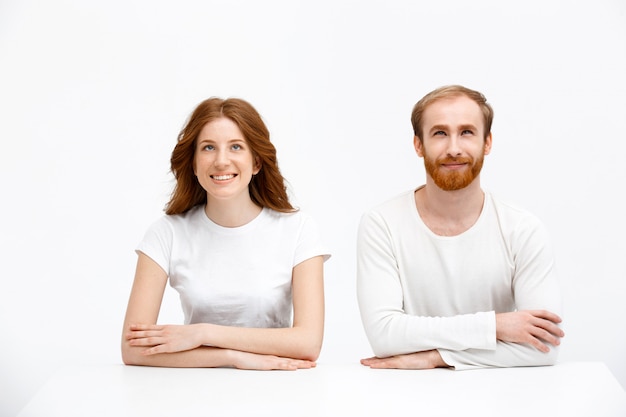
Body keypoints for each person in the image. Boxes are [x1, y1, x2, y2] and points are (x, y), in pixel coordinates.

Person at [357, 85, 564, 370]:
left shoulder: (523, 229)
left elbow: (544, 349)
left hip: (502, 401)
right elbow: (384, 336)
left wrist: (436, 357)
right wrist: (495, 326)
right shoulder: (381, 224)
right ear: (418, 145)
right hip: (407, 400)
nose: (454, 149)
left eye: (467, 132)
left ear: (487, 143)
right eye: (440, 133)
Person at [122, 97, 330, 370]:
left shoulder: (299, 229)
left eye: (236, 147)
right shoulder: (166, 233)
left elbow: (308, 343)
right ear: (194, 164)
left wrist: (204, 334)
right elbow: (132, 349)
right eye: (208, 148)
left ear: (256, 162)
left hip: (277, 387)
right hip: (194, 389)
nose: (221, 161)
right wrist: (231, 357)